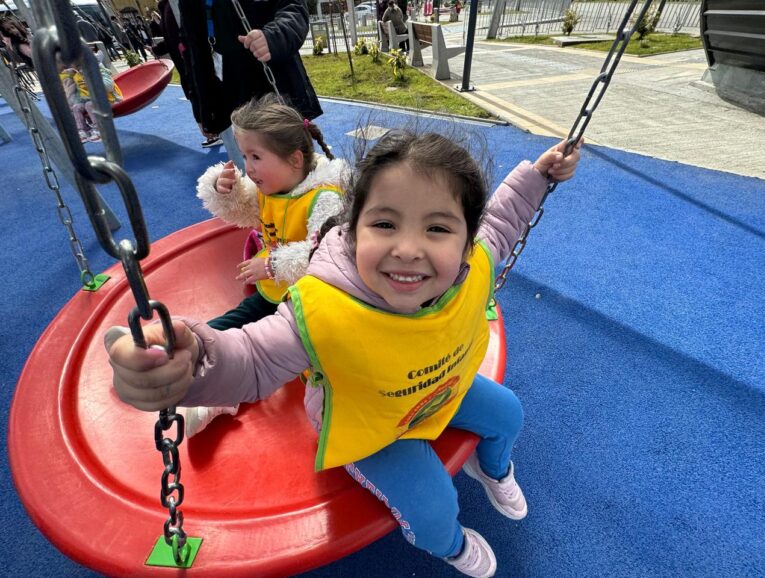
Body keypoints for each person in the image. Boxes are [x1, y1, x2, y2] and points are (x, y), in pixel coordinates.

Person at [104, 129, 582, 577]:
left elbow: (502, 219)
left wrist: (537, 177)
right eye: (385, 223)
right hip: (368, 423)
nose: (409, 249)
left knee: (507, 414)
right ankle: (450, 545)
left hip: (440, 387)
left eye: (437, 228)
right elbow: (251, 358)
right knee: (434, 508)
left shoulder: (475, 262)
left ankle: (492, 468)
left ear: (465, 241)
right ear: (354, 229)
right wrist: (190, 363)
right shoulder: (324, 306)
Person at [187, 94, 349, 435]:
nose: (249, 167)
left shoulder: (324, 197)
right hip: (274, 293)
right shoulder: (273, 185)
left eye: (256, 157)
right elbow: (246, 211)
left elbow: (329, 255)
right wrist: (224, 191)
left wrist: (272, 265)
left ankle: (224, 394)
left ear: (294, 160)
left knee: (274, 350)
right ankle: (190, 356)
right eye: (245, 156)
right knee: (217, 330)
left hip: (310, 303)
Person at [177, 0, 322, 145]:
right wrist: (203, 111)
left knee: (291, 160)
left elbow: (293, 8)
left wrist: (274, 36)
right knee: (247, 164)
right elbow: (193, 48)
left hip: (278, 93)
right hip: (230, 104)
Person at [59, 57, 122, 143]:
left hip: (109, 99)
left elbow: (108, 86)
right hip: (92, 100)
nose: (78, 68)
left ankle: (100, 129)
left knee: (89, 104)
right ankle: (83, 130)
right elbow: (80, 93)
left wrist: (91, 82)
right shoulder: (78, 76)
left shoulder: (99, 71)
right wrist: (77, 102)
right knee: (76, 107)